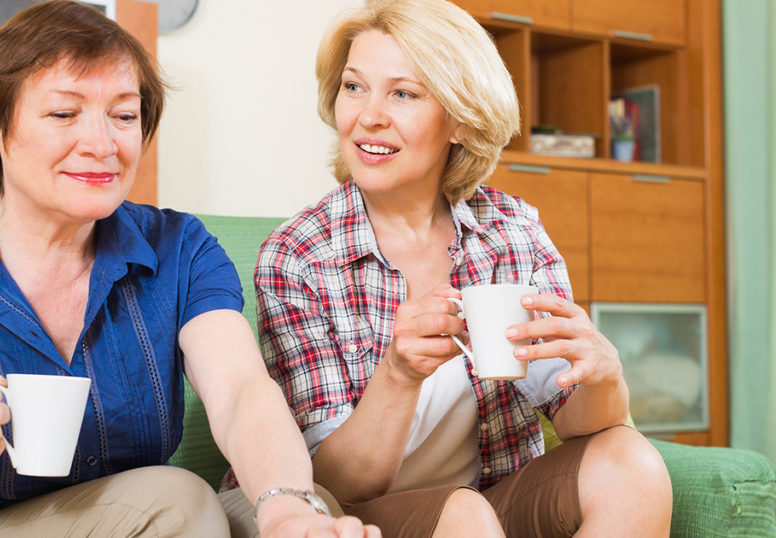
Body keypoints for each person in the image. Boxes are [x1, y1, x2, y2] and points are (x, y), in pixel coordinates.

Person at [0, 2, 379, 537]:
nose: (102, 144)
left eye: (124, 116)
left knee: (310, 511)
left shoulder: (178, 247)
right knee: (174, 499)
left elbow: (241, 391)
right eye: (64, 114)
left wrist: (286, 504)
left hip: (133, 518)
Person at [251, 0, 673, 536]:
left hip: (494, 499)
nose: (368, 116)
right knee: (462, 513)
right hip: (359, 516)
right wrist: (398, 376)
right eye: (354, 87)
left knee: (632, 464)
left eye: (403, 94)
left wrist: (604, 379)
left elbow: (575, 419)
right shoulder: (298, 255)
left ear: (459, 119)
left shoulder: (510, 228)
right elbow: (329, 483)